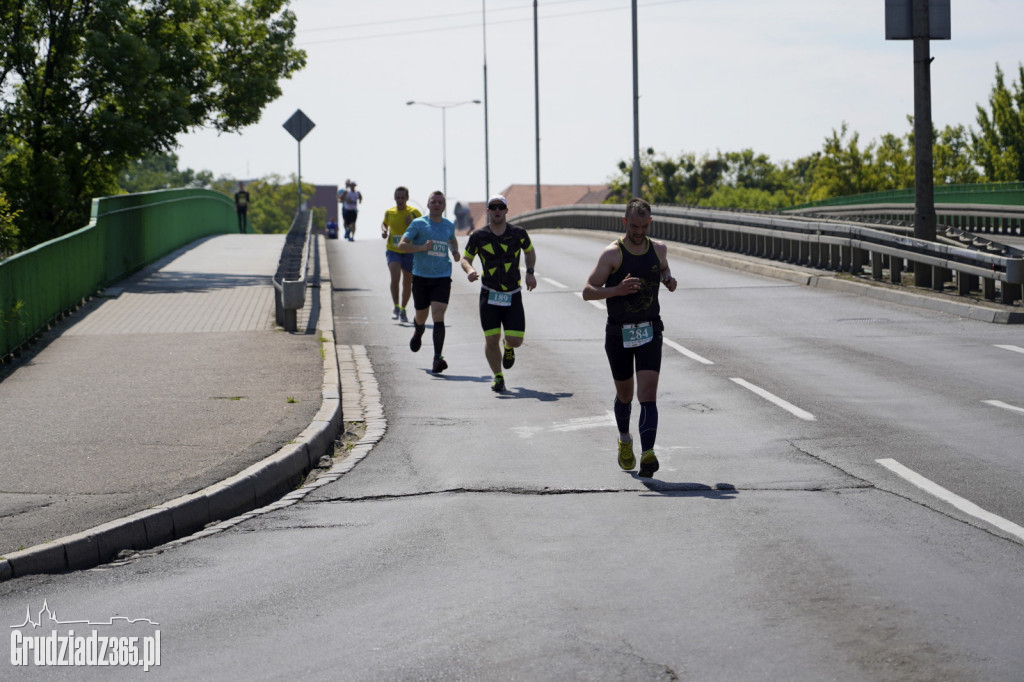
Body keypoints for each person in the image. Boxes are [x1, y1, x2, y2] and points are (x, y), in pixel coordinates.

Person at [582, 198, 677, 478]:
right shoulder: (612, 254)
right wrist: (616, 290)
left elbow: (662, 268)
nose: (638, 231)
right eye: (633, 226)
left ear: (650, 223)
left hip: (649, 329)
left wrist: (668, 279)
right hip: (619, 332)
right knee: (625, 395)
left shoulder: (658, 249)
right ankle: (625, 439)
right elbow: (588, 291)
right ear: (625, 223)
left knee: (647, 394)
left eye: (643, 226)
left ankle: (648, 453)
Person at [460, 194, 537, 392]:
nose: (496, 210)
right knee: (491, 339)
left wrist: (529, 273)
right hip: (489, 294)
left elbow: (529, 251)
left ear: (506, 210)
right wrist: (470, 271)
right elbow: (465, 258)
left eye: (500, 207)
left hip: (513, 294)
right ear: (488, 211)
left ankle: (509, 346)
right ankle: (498, 377)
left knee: (516, 340)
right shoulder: (478, 236)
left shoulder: (518, 233)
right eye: (493, 207)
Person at [396, 191, 461, 374]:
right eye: (434, 201)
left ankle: (437, 358)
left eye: (440, 202)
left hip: (442, 277)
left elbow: (453, 241)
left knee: (438, 315)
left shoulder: (449, 225)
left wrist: (455, 252)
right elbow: (402, 245)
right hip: (421, 278)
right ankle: (418, 331)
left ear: (444, 206)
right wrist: (421, 248)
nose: (437, 204)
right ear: (428, 204)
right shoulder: (418, 224)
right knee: (421, 316)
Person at [381, 186, 421, 321]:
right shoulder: (389, 212)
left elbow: (423, 228)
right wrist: (384, 231)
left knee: (407, 282)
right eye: (398, 197)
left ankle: (403, 309)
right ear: (394, 198)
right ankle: (396, 306)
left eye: (402, 197)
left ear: (407, 198)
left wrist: (412, 223)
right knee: (395, 277)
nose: (400, 200)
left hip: (409, 250)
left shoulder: (414, 212)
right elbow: (384, 223)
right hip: (393, 250)